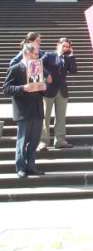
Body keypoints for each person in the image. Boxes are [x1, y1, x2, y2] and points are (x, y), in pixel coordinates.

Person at [3, 43, 47, 178]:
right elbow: (6, 88)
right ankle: (20, 167)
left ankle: (31, 166)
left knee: (34, 141)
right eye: (35, 54)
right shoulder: (15, 68)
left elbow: (44, 88)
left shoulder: (38, 67)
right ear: (27, 53)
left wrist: (44, 87)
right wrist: (23, 88)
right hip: (23, 111)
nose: (37, 56)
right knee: (22, 141)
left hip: (37, 110)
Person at [38, 37, 77, 151]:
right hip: (49, 90)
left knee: (61, 117)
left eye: (67, 47)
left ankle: (60, 140)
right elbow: (38, 63)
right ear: (58, 45)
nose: (65, 48)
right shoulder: (49, 55)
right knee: (45, 116)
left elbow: (74, 71)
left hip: (62, 91)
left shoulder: (68, 57)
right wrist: (47, 74)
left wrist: (72, 56)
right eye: (63, 46)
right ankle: (43, 142)